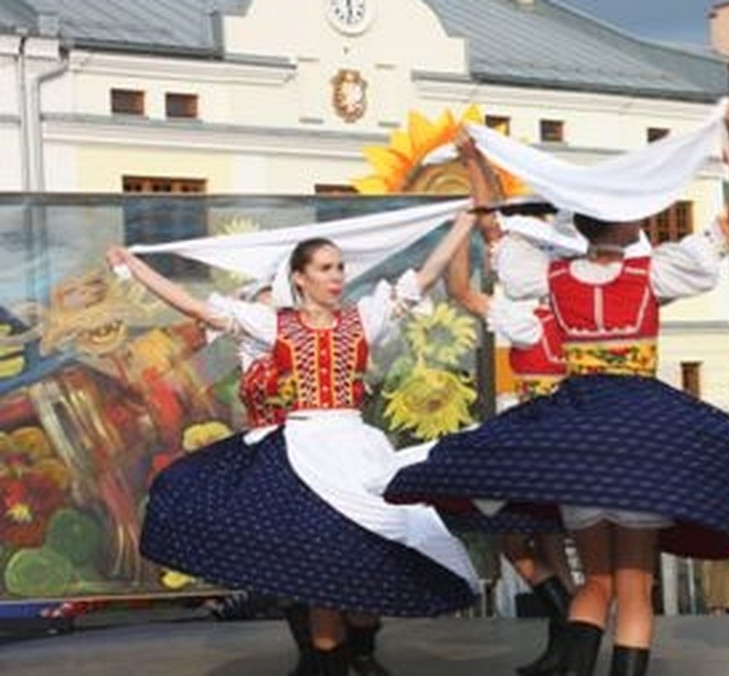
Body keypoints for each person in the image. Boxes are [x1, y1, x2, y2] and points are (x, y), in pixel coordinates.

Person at [385, 101, 729, 676]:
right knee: (635, 590)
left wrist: (471, 158)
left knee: (598, 582)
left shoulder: (552, 278)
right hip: (638, 438)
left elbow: (492, 224)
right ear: (630, 224)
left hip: (579, 440)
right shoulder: (651, 274)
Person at [115, 215, 482, 676]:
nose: (337, 277)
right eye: (326, 268)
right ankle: (329, 662)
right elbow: (198, 309)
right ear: (300, 278)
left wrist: (465, 221)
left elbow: (425, 276)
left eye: (340, 267)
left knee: (370, 552)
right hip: (305, 451)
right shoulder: (277, 324)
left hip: (356, 449)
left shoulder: (362, 318)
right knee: (320, 567)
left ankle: (363, 653)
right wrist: (134, 267)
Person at [444, 134, 579, 676]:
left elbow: (465, 284)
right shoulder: (573, 305)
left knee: (514, 535)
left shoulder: (528, 317)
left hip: (536, 433)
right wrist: (477, 166)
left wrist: (457, 238)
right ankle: (567, 639)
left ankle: (570, 627)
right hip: (568, 432)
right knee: (548, 544)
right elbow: (495, 221)